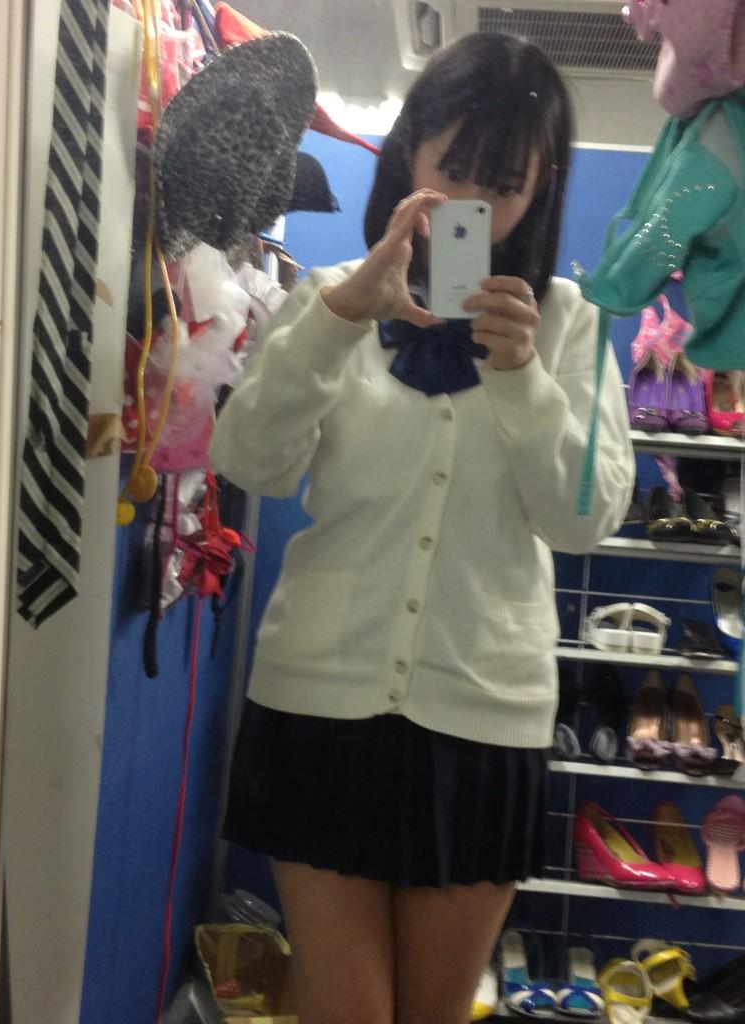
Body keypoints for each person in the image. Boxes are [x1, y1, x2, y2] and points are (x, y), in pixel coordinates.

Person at [209, 31, 634, 1024]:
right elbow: (250, 462)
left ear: (542, 187)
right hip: (318, 703)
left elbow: (583, 521)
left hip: (484, 716)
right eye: (455, 167)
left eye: (504, 183)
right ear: (409, 151)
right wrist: (337, 319)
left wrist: (523, 377)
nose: (473, 202)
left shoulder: (571, 325)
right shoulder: (326, 299)